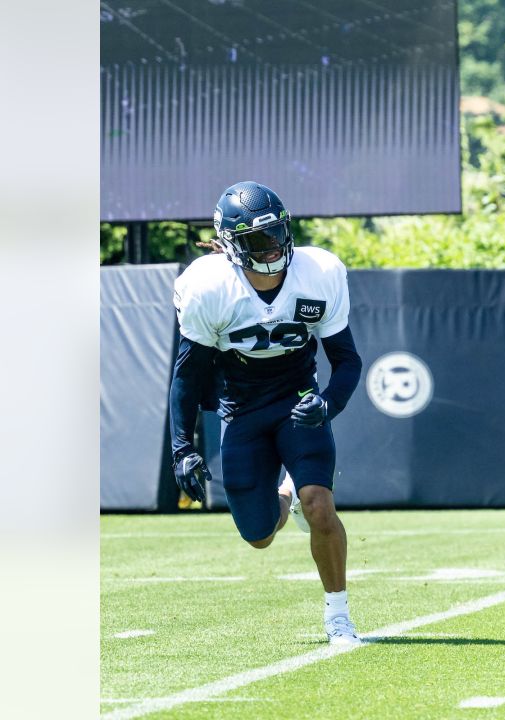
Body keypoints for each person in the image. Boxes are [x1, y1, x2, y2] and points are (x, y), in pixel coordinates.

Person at [168, 181, 364, 645]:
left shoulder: (317, 273)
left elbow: (347, 359)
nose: (273, 248)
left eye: (277, 234)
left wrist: (329, 403)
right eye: (259, 240)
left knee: (320, 504)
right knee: (258, 535)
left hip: (297, 397)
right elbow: (187, 376)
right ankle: (285, 496)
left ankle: (339, 617)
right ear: (234, 245)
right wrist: (182, 448)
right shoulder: (208, 286)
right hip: (241, 407)